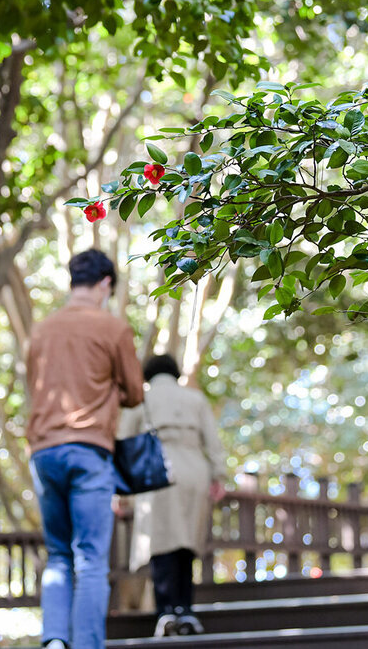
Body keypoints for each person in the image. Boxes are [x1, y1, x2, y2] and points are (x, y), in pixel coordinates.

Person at [25, 249, 144, 649]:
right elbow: (135, 393)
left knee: (58, 554)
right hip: (89, 449)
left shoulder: (41, 331)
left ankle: (55, 640)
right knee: (90, 558)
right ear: (106, 283)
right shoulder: (112, 328)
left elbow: (35, 388)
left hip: (43, 451)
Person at [119, 355, 227, 637]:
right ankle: (185, 611)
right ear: (175, 373)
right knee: (186, 544)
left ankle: (166, 611)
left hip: (157, 472)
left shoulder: (140, 399)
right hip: (194, 471)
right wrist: (219, 476)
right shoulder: (195, 399)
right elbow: (212, 441)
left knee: (161, 542)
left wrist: (121, 495)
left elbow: (125, 443)